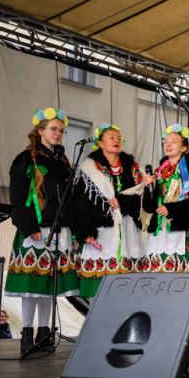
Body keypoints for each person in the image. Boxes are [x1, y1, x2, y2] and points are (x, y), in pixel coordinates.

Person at [6, 108, 78, 353]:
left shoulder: (63, 162)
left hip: (60, 231)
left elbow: (70, 199)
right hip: (37, 230)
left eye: (60, 130)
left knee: (49, 286)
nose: (57, 133)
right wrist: (29, 227)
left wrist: (74, 231)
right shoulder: (25, 160)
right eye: (53, 129)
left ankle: (44, 333)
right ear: (40, 131)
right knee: (33, 284)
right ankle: (27, 332)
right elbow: (17, 198)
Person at [73, 123, 145, 298]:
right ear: (100, 143)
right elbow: (80, 202)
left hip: (128, 230)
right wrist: (85, 230)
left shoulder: (132, 168)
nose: (116, 140)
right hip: (101, 230)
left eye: (119, 138)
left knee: (126, 288)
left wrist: (124, 202)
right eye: (111, 137)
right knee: (98, 288)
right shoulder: (88, 168)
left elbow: (143, 195)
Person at [140, 124, 189, 273]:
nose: (168, 144)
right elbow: (149, 207)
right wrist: (149, 188)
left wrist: (171, 209)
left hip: (181, 230)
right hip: (160, 232)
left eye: (173, 141)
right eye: (166, 142)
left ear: (184, 148)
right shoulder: (158, 172)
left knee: (181, 279)